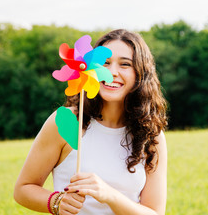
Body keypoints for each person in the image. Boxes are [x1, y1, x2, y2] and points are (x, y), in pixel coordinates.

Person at [14, 29, 168, 215]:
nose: (111, 72)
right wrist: (57, 201)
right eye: (104, 63)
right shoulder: (67, 121)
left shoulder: (151, 134)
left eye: (125, 64)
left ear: (140, 74)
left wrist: (109, 195)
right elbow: (23, 188)